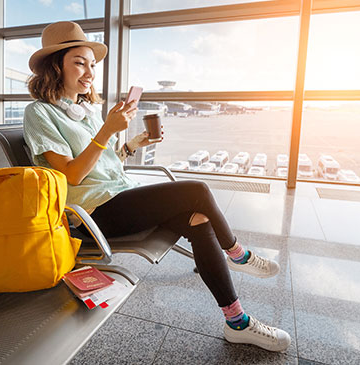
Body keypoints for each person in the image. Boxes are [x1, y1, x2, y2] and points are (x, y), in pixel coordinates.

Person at [23, 21, 291, 352]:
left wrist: (130, 144)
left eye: (92, 64)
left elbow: (105, 167)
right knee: (196, 191)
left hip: (117, 197)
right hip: (92, 216)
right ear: (55, 67)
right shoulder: (39, 113)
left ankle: (237, 322)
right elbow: (72, 177)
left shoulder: (85, 113)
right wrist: (106, 132)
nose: (90, 72)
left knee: (199, 219)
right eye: (79, 62)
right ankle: (237, 252)